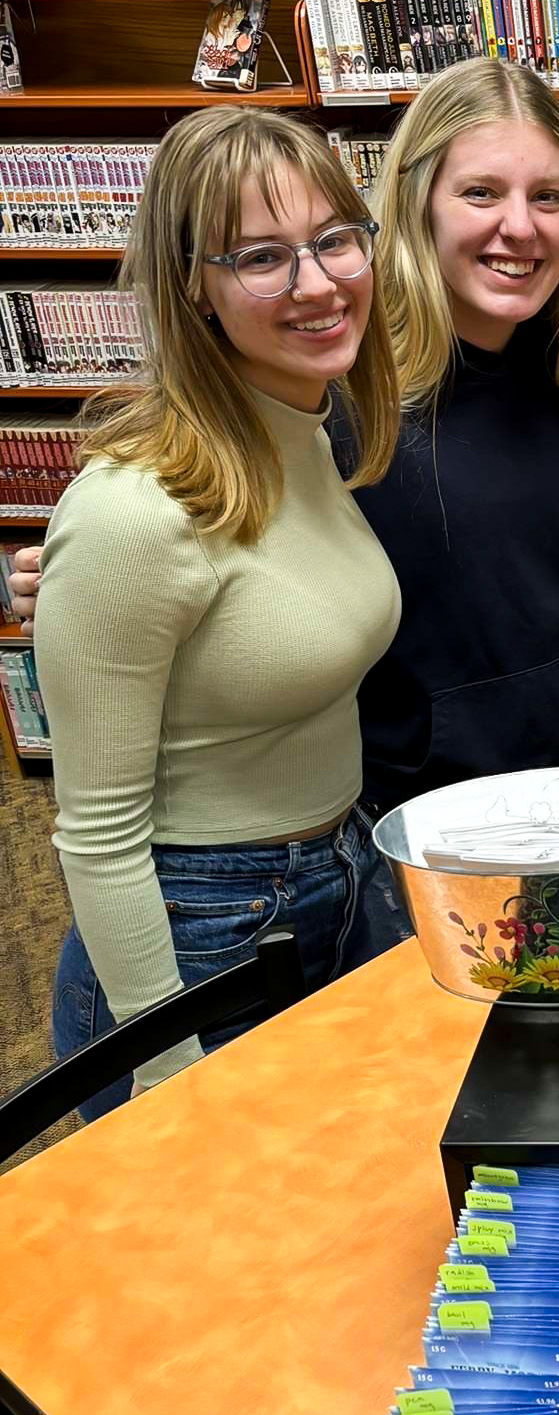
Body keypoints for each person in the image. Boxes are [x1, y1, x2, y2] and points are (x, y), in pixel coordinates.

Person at [31, 106, 401, 1119]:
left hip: (336, 880)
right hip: (197, 937)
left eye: (334, 240)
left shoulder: (307, 427)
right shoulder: (130, 510)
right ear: (193, 285)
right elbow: (97, 834)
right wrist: (164, 1065)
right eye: (262, 257)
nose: (319, 283)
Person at [345, 57, 559, 837]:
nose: (521, 227)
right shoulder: (344, 398)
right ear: (418, 204)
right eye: (481, 193)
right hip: (435, 829)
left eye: (547, 197)